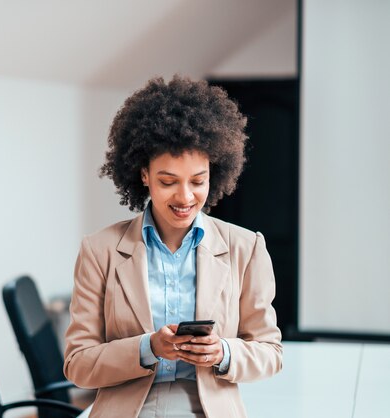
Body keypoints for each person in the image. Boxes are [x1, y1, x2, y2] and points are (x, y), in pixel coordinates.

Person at [63, 76, 282, 418]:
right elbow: (78, 365)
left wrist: (222, 352)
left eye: (198, 181)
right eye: (168, 181)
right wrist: (148, 347)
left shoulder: (246, 248)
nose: (185, 197)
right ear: (144, 175)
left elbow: (270, 353)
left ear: (215, 173)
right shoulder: (99, 250)